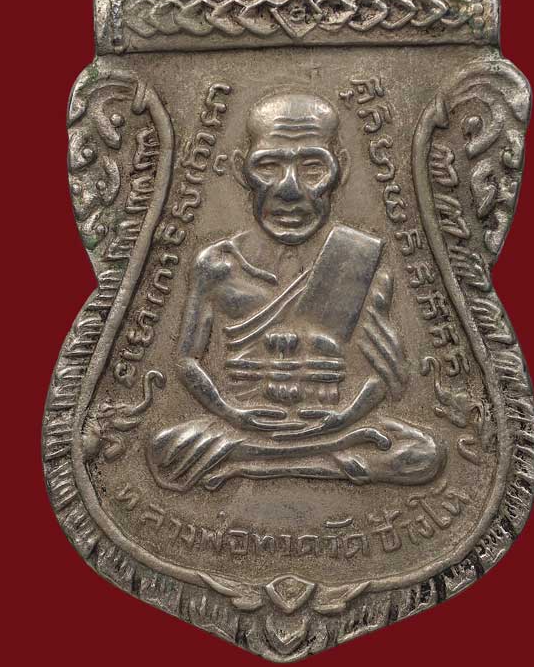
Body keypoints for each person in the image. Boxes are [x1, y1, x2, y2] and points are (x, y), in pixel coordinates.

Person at [147, 93, 444, 491]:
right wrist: (233, 413)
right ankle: (316, 461)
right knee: (162, 449)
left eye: (313, 167)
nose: (289, 189)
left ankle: (253, 465)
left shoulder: (357, 259)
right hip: (243, 426)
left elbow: (384, 374)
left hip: (331, 424)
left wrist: (344, 417)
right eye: (268, 166)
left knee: (426, 453)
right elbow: (186, 360)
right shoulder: (217, 264)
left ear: (341, 170)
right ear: (241, 170)